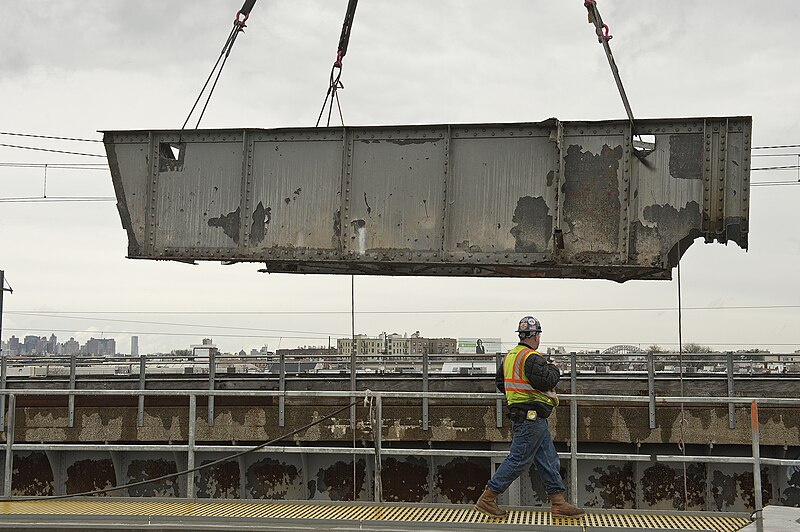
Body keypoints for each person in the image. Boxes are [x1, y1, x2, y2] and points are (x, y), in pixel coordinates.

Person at [474, 316, 585, 518]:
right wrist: (553, 367)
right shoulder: (531, 357)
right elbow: (547, 381)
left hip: (530, 417)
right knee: (518, 460)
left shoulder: (511, 356)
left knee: (548, 460)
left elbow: (501, 382)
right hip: (530, 417)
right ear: (535, 336)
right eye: (539, 334)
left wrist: (517, 395)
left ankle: (558, 503)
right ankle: (487, 498)